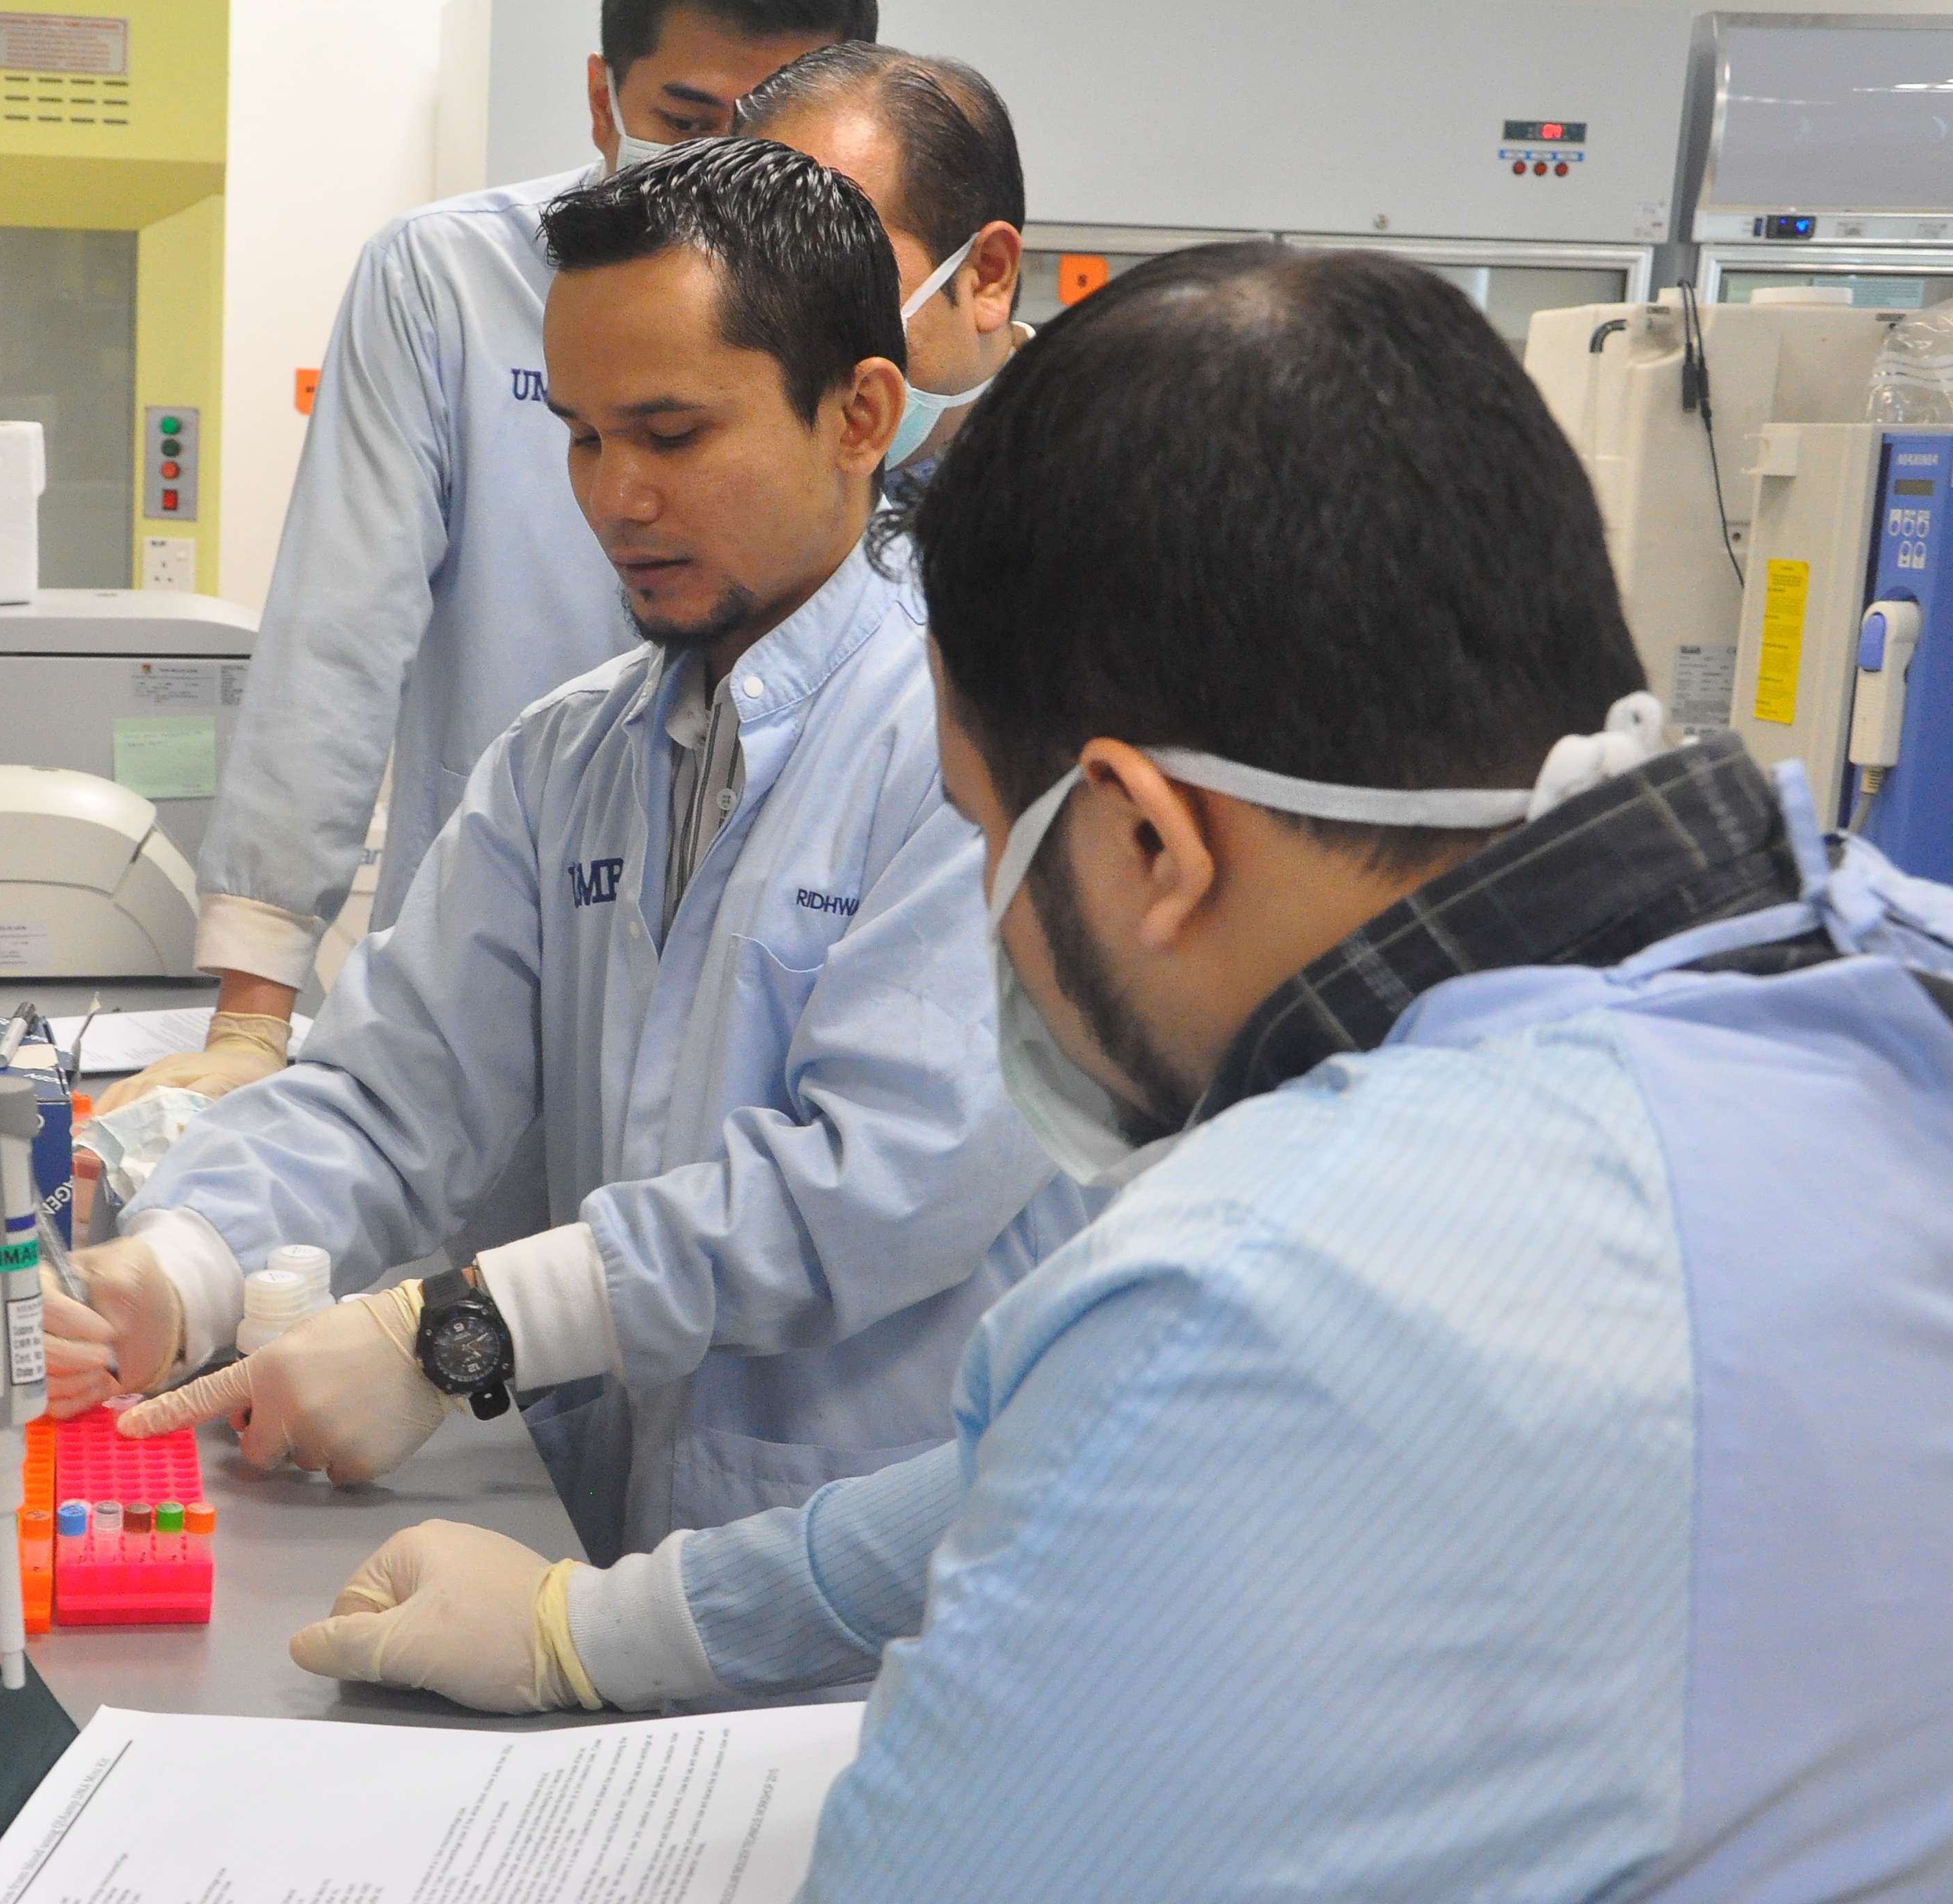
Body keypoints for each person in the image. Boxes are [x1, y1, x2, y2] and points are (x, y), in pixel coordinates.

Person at [284, 242, 1953, 1901]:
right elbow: (1037, 1466)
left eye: (979, 834)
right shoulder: (1871, 970)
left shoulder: (1263, 1282)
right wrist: (597, 1624)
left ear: (1148, 840)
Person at [54, 138, 1092, 1566]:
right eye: (584, 436)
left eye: (671, 435)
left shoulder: (964, 745)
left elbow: (872, 1184)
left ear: (858, 415)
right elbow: (389, 1098)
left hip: (880, 1583)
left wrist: (462, 1327)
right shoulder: (569, 759)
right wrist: (177, 1268)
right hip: (617, 1566)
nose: (613, 497)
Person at [100, 0, 879, 1116]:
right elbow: (337, 633)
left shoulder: (864, 311)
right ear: (602, 96)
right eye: (685, 119)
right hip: (492, 941)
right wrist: (251, 1014)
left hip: (771, 945)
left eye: (769, 133)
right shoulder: (449, 278)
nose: (721, 165)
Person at [734, 42, 1027, 486]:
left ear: (988, 276)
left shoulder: (1105, 487)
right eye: (754, 278)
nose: (784, 330)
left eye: (831, 274)